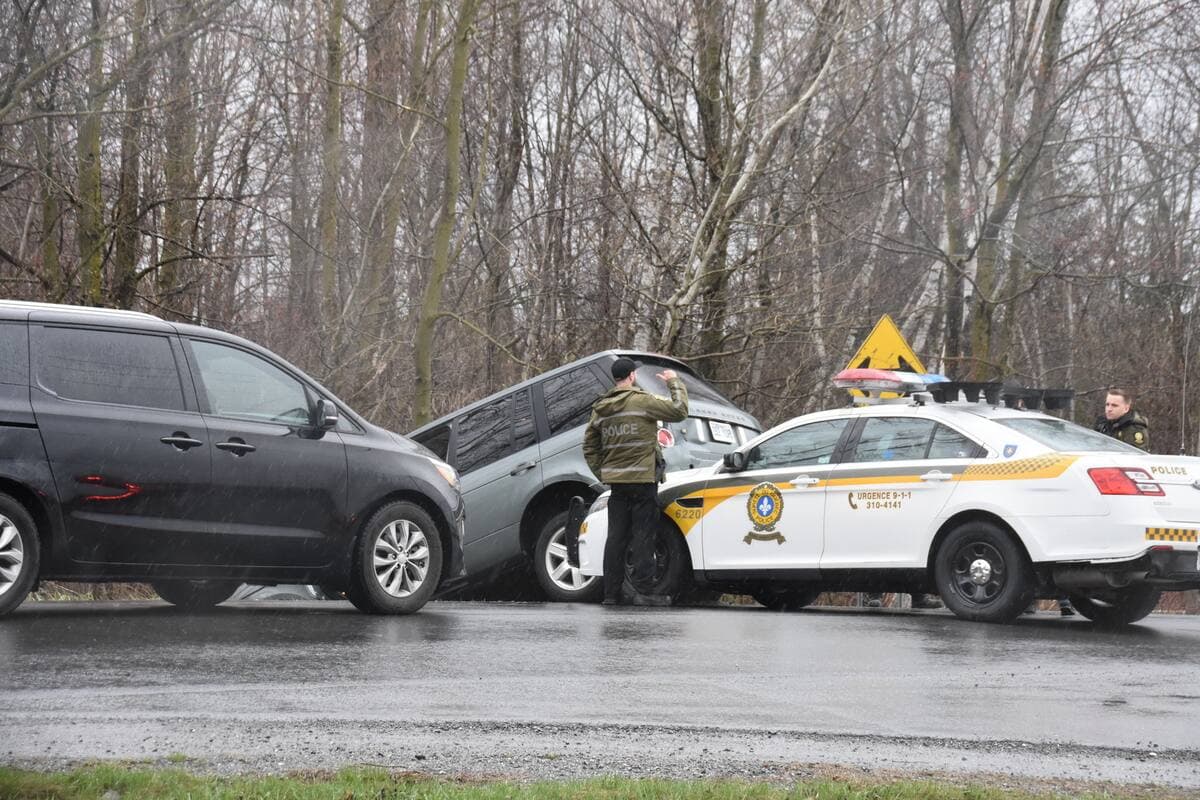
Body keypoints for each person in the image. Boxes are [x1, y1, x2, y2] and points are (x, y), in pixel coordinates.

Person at [583, 358, 688, 606]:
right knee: (643, 536)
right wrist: (674, 381)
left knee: (616, 537)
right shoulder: (643, 402)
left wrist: (605, 473)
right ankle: (644, 592)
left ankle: (610, 594)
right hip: (643, 480)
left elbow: (589, 446)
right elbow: (680, 410)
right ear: (631, 376)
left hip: (617, 485)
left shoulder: (601, 408)